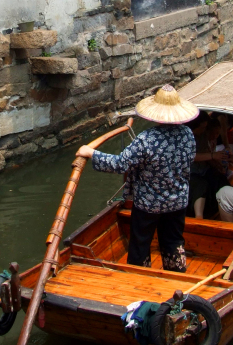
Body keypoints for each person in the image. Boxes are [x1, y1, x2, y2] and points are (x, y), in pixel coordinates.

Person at [78, 85, 197, 272]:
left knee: (140, 244)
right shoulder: (188, 135)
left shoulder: (147, 139)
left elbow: (119, 164)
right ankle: (177, 277)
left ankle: (139, 277)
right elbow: (188, 162)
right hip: (177, 201)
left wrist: (92, 153)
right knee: (173, 241)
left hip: (149, 204)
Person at [187, 113, 231, 220]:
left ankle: (226, 209)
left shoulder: (202, 136)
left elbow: (206, 152)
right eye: (202, 128)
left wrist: (216, 164)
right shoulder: (185, 137)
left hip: (203, 168)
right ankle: (199, 217)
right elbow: (190, 156)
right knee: (201, 184)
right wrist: (212, 156)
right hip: (190, 172)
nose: (204, 130)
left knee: (220, 179)